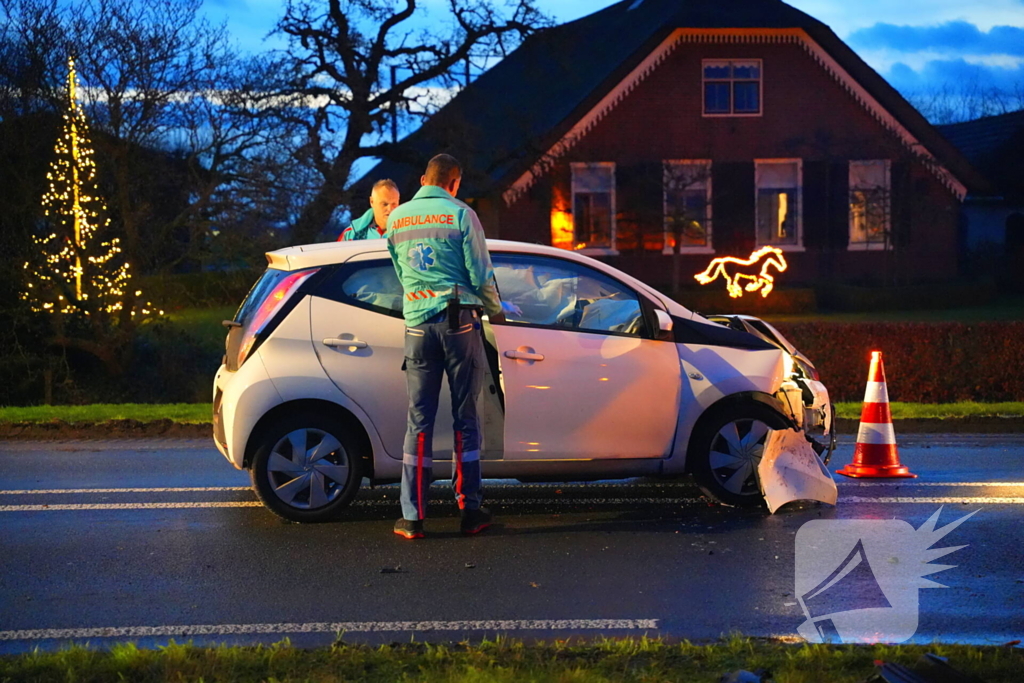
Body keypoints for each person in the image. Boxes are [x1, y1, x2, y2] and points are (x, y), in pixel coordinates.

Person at [386, 153, 506, 539]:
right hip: (458, 323)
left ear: (424, 180)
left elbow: (401, 271)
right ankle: (470, 511)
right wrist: (497, 312)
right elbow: (481, 274)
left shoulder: (397, 218)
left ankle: (412, 517)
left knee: (418, 421)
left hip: (417, 325)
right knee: (465, 418)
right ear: (454, 183)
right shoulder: (460, 214)